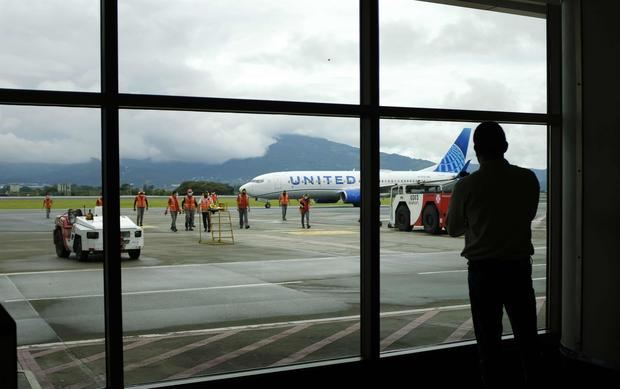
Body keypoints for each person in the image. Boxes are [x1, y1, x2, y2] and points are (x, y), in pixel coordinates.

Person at [447, 121, 540, 387]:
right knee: (527, 337)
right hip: (518, 268)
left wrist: (475, 221)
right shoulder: (528, 178)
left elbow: (453, 229)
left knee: (488, 341)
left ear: (476, 150)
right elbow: (529, 214)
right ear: (506, 147)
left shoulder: (466, 186)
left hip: (483, 271)